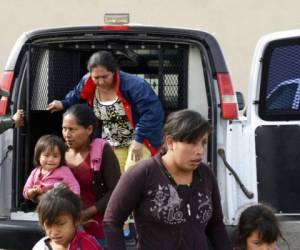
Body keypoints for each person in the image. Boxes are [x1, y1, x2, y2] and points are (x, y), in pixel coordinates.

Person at [103, 109, 232, 250]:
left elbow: (216, 225)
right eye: (192, 143)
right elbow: (112, 221)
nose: (200, 150)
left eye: (203, 143)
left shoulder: (206, 174)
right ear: (170, 142)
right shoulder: (143, 174)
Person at [47, 50, 164, 173]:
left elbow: (153, 113)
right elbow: (76, 94)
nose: (101, 81)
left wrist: (139, 140)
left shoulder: (135, 85)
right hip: (113, 142)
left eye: (104, 77)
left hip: (141, 139)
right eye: (96, 78)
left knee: (132, 174)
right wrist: (63, 103)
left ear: (114, 72)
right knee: (116, 177)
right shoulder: (87, 81)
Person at [62, 104, 121, 246]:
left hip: (98, 231)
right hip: (66, 232)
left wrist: (87, 213)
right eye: (64, 129)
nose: (67, 134)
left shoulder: (102, 151)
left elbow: (116, 190)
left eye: (72, 129)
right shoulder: (58, 152)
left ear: (89, 129)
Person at [33, 184, 102, 250]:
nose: (54, 232)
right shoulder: (40, 247)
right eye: (48, 225)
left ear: (76, 220)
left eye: (61, 224)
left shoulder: (88, 245)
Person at [23, 135, 80, 202]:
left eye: (55, 156)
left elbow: (74, 186)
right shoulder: (34, 172)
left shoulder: (64, 170)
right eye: (46, 155)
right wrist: (32, 192)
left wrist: (74, 200)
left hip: (61, 204)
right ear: (38, 156)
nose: (51, 159)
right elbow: (25, 191)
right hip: (44, 207)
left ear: (61, 157)